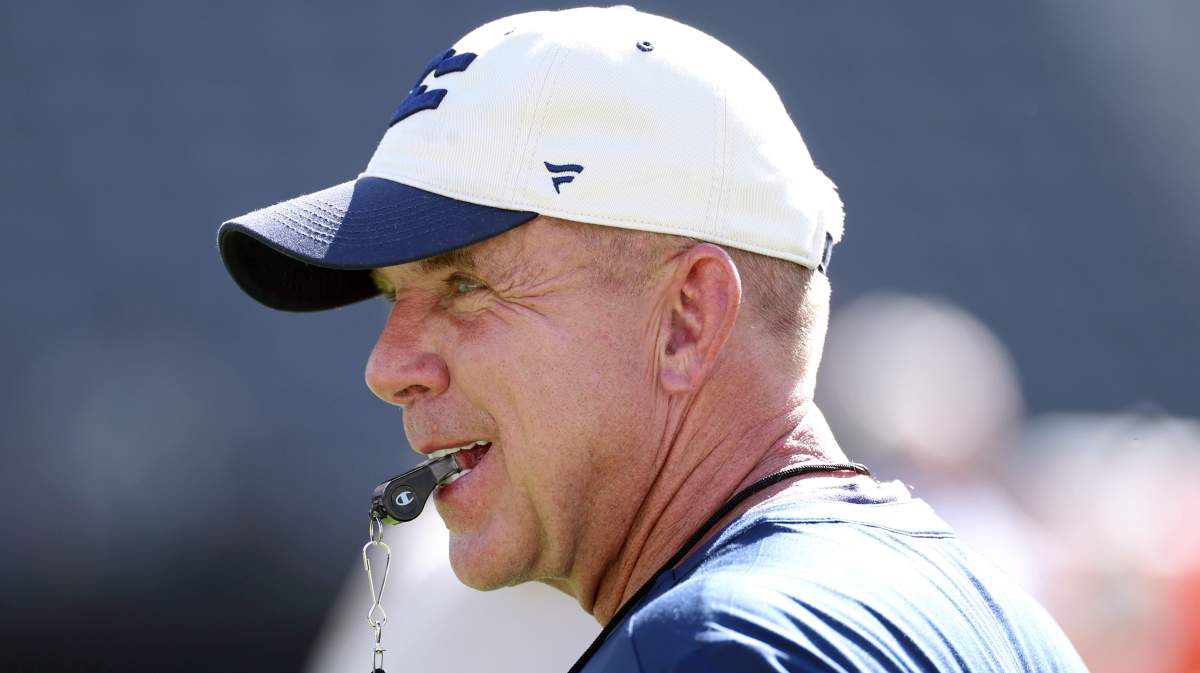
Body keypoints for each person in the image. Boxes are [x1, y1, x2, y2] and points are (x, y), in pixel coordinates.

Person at [217, 7, 1088, 672]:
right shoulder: (1007, 620)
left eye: (465, 283)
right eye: (389, 297)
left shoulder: (710, 645)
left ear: (686, 320)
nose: (388, 366)